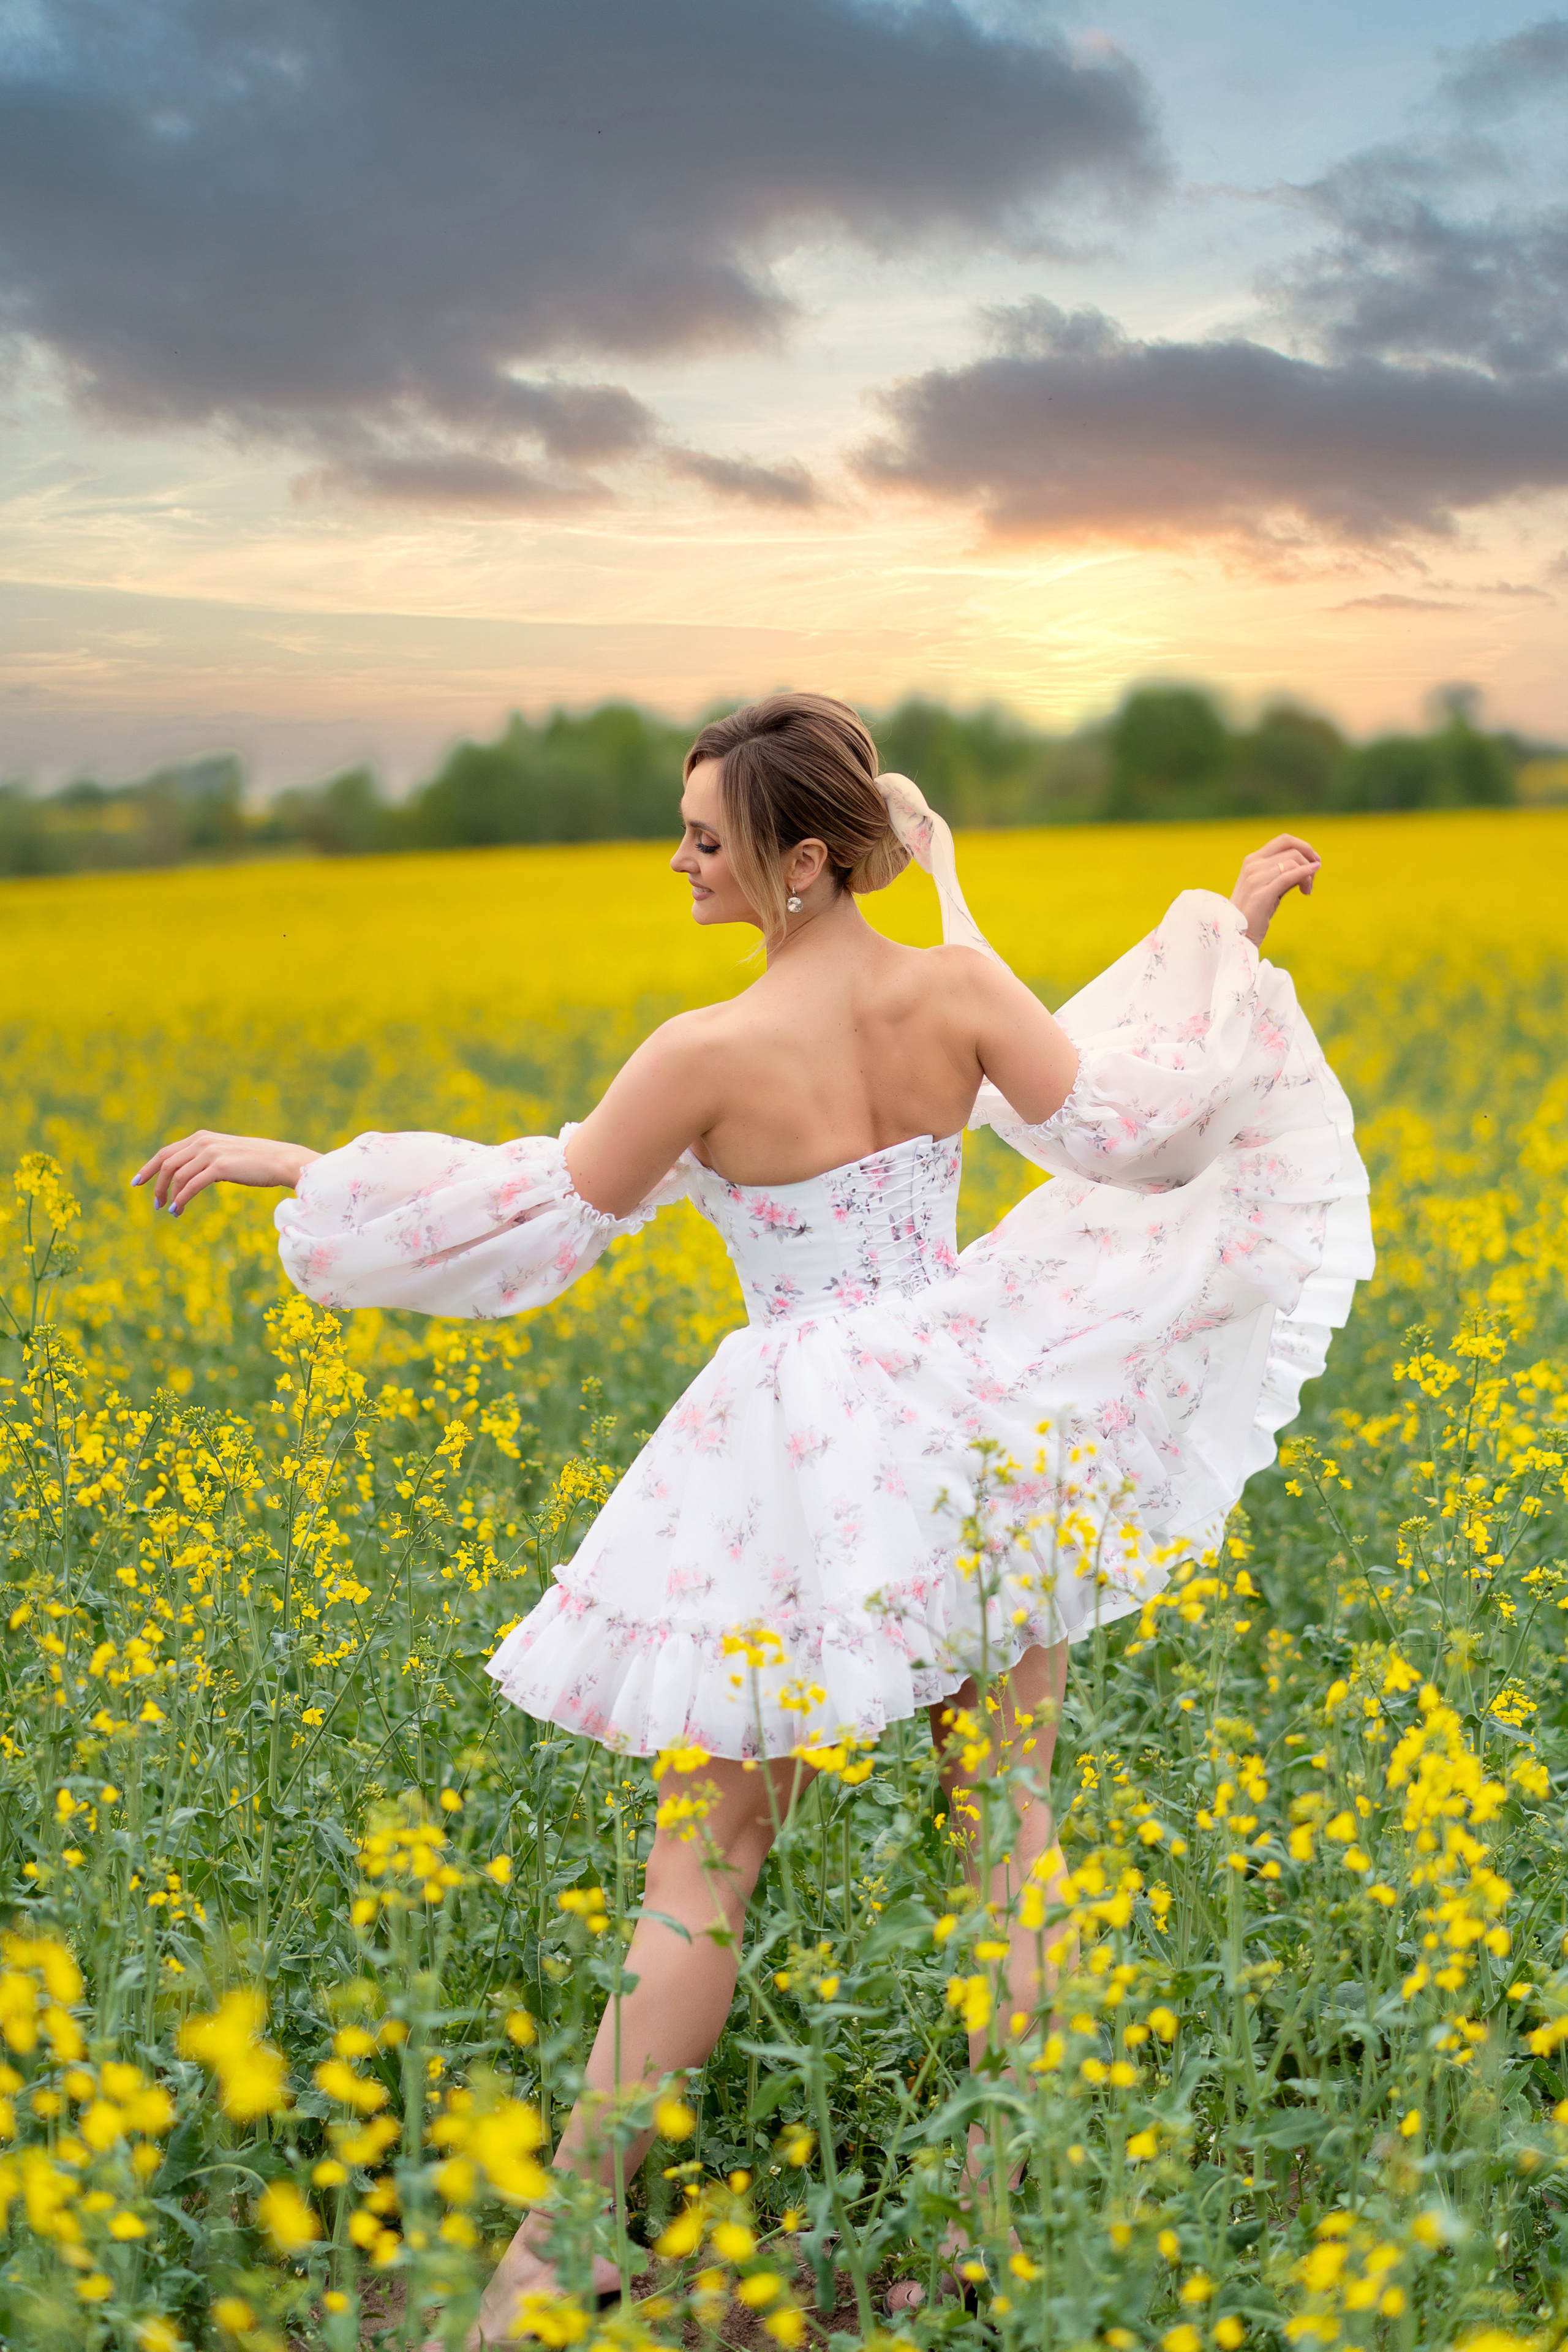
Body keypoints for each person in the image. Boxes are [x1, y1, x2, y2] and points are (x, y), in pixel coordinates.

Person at [135, 692, 1373, 2338]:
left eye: (706, 838)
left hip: (802, 1455)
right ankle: (1010, 2238)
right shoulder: (958, 992)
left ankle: (559, 2252)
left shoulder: (706, 1055)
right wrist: (1233, 936)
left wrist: (293, 1168)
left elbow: (519, 1218)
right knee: (1006, 1836)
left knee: (706, 1852)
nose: (681, 859)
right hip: (977, 1419)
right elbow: (1141, 1128)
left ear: (800, 861)